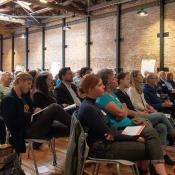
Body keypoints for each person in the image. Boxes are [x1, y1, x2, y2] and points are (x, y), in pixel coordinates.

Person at [78, 73, 167, 175]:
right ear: (90, 89)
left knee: (150, 132)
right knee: (151, 147)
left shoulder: (93, 104)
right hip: (102, 148)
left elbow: (110, 129)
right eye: (99, 85)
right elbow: (108, 134)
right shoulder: (89, 108)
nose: (103, 86)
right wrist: (134, 137)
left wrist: (131, 135)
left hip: (110, 139)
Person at [1, 72, 71, 154]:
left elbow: (30, 110)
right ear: (20, 81)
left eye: (30, 84)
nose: (30, 87)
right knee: (54, 107)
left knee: (68, 129)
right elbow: (12, 124)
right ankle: (80, 126)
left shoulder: (25, 97)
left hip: (35, 126)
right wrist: (31, 115)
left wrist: (35, 110)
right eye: (28, 84)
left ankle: (81, 130)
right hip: (25, 132)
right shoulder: (8, 100)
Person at [115, 71, 175, 164]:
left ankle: (162, 154)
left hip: (141, 113)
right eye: (139, 75)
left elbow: (144, 103)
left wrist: (149, 108)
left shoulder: (137, 90)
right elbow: (132, 108)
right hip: (136, 117)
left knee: (162, 127)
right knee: (162, 115)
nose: (142, 77)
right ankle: (173, 134)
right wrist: (143, 112)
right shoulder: (129, 90)